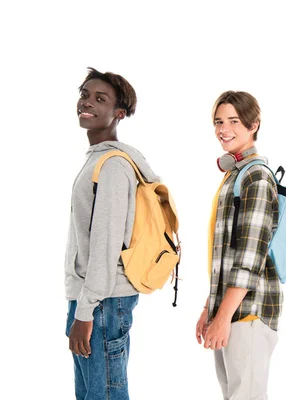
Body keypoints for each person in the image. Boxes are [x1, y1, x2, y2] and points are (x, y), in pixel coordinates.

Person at [64, 67, 160, 399]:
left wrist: (86, 311)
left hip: (102, 302)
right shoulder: (97, 161)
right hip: (90, 299)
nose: (87, 103)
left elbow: (105, 247)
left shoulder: (114, 166)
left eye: (99, 99)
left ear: (118, 114)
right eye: (84, 94)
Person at [196, 91, 281, 400]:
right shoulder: (235, 174)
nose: (224, 129)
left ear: (253, 125)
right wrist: (210, 307)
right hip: (230, 310)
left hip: (248, 313)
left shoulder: (255, 176)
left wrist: (222, 316)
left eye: (233, 121)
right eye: (219, 121)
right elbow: (224, 256)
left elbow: (248, 258)